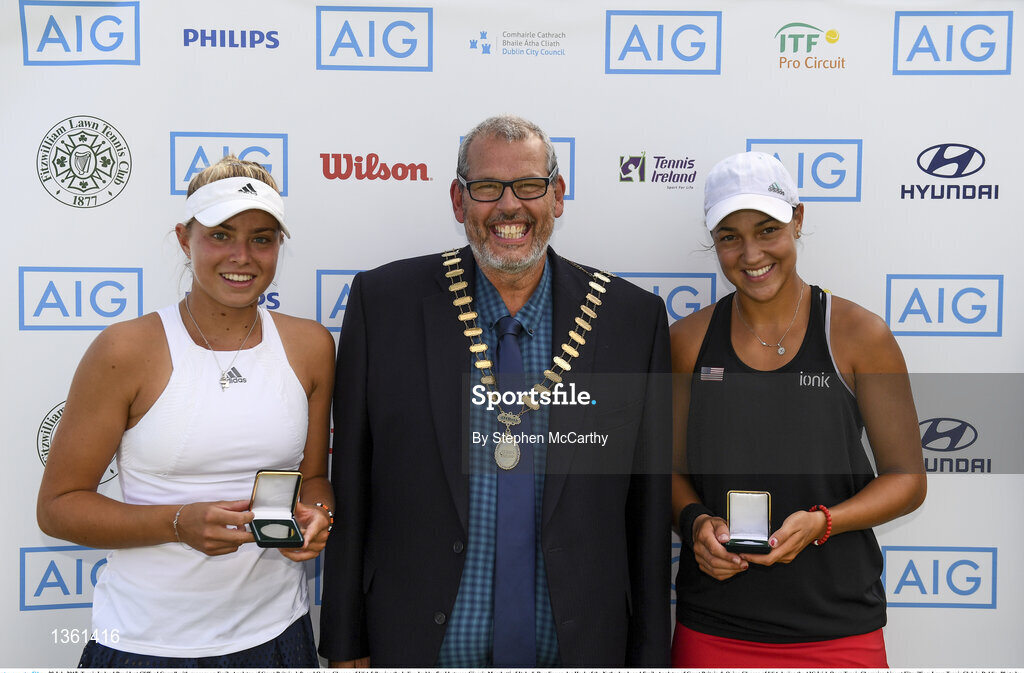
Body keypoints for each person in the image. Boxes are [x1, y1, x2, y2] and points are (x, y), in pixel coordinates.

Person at [318, 114, 671, 667]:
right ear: (459, 202)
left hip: (581, 647)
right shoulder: (383, 304)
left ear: (556, 195)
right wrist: (344, 646)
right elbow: (353, 484)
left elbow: (646, 514)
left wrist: (650, 658)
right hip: (417, 644)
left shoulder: (629, 319)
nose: (510, 206)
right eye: (486, 188)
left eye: (529, 185)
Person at [36, 156, 337, 667]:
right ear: (184, 239)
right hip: (146, 643)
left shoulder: (310, 345)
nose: (242, 256)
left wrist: (318, 518)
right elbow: (59, 507)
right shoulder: (125, 349)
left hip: (279, 634)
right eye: (221, 235)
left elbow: (312, 479)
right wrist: (177, 524)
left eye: (262, 239)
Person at [670, 151, 927, 667]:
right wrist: (697, 524)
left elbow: (907, 480)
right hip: (716, 628)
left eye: (767, 230)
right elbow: (667, 473)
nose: (750, 253)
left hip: (837, 631)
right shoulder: (688, 342)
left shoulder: (859, 335)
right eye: (729, 237)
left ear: (799, 220)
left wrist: (822, 522)